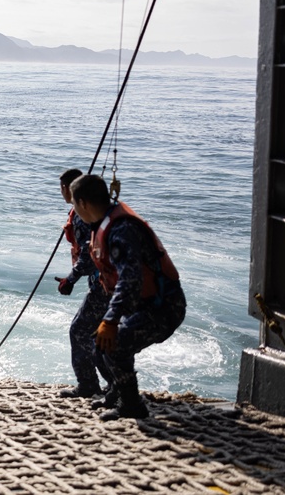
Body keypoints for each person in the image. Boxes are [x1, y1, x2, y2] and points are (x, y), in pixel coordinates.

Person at [69, 173, 187, 420]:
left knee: (115, 345)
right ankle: (116, 393)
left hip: (163, 307)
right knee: (98, 344)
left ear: (82, 203)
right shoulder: (103, 224)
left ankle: (132, 406)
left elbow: (130, 280)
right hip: (142, 305)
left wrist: (110, 320)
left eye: (73, 203)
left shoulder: (121, 230)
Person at [54, 168, 112, 399]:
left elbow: (89, 257)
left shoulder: (80, 216)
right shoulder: (93, 212)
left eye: (61, 188)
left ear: (67, 189)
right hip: (109, 282)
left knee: (80, 331)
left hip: (103, 284)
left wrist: (70, 279)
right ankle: (115, 384)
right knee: (98, 335)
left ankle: (89, 385)